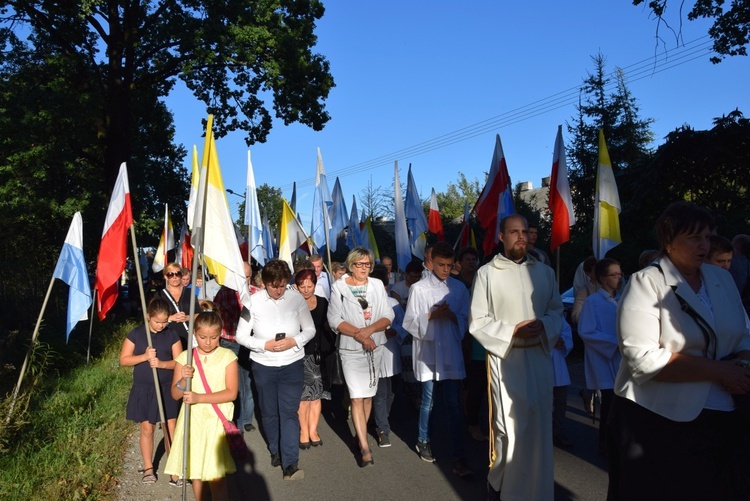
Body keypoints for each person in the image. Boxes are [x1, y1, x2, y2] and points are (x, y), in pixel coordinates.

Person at [608, 202, 750, 500]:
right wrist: (718, 370)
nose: (704, 245)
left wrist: (741, 365)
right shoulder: (646, 282)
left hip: (727, 412)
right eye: (694, 238)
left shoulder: (721, 279)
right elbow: (642, 360)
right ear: (669, 242)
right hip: (661, 419)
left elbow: (744, 334)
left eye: (708, 237)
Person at [469, 214, 563, 500]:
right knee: (508, 428)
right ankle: (504, 487)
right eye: (514, 232)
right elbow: (478, 321)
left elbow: (557, 311)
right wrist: (512, 332)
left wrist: (544, 325)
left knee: (539, 426)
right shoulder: (487, 273)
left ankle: (539, 490)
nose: (521, 236)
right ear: (501, 237)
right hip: (506, 360)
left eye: (524, 231)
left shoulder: (545, 273)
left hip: (539, 358)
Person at [236, 259, 315, 480]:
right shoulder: (252, 302)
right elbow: (240, 336)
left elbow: (310, 329)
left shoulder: (296, 298)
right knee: (270, 413)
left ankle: (291, 462)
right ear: (265, 282)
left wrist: (295, 341)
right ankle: (275, 450)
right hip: (264, 366)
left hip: (292, 364)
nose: (278, 290)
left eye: (282, 285)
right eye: (274, 286)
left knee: (289, 412)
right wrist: (264, 345)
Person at [403, 241, 472, 476]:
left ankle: (458, 452)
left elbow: (466, 320)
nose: (444, 269)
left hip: (450, 351)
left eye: (449, 265)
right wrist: (431, 315)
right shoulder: (419, 289)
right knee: (428, 401)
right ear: (432, 263)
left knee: (453, 403)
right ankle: (423, 439)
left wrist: (452, 316)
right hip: (429, 353)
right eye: (441, 265)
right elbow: (410, 322)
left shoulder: (459, 289)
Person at [164, 301, 239, 500]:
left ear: (220, 334)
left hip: (216, 421)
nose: (207, 342)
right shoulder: (185, 357)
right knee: (196, 473)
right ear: (194, 334)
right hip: (193, 421)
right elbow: (174, 394)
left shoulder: (228, 356)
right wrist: (182, 380)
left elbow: (231, 393)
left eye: (213, 337)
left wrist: (199, 397)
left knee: (215, 475)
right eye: (203, 337)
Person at [328, 247, 394, 467]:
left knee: (368, 396)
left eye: (367, 264)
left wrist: (369, 331)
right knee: (356, 396)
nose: (364, 268)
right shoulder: (339, 287)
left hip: (376, 347)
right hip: (351, 349)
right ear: (351, 265)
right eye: (359, 264)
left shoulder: (376, 285)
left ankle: (360, 433)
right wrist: (360, 334)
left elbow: (388, 315)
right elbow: (334, 319)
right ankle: (364, 447)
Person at [120, 297, 182, 485]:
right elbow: (124, 360)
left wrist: (162, 363)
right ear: (148, 316)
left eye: (165, 321)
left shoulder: (172, 335)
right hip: (144, 389)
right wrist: (144, 356)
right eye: (157, 321)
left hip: (166, 389)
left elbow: (180, 362)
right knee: (148, 428)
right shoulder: (136, 334)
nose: (161, 325)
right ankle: (148, 467)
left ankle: (174, 469)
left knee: (170, 428)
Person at [578, 257, 623, 456]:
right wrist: (613, 342)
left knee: (622, 401)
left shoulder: (622, 299)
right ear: (603, 279)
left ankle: (618, 438)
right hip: (604, 358)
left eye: (620, 274)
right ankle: (604, 440)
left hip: (622, 359)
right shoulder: (593, 302)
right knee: (609, 401)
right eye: (614, 275)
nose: (618, 278)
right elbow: (586, 331)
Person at [213, 262, 256, 432]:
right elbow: (216, 317)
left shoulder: (256, 293)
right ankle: (233, 417)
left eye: (247, 276)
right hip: (229, 343)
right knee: (232, 384)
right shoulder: (224, 293)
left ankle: (246, 419)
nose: (244, 280)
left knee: (248, 382)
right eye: (241, 276)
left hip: (249, 344)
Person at [294, 268, 334, 449]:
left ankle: (313, 430)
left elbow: (329, 325)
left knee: (317, 396)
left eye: (309, 286)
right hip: (300, 354)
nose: (306, 289)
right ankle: (303, 431)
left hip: (320, 355)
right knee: (304, 398)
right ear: (297, 287)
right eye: (302, 286)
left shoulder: (324, 302)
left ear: (315, 286)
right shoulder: (293, 304)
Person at [369, 264, 408, 448]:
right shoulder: (367, 304)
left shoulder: (393, 304)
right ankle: (382, 428)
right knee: (380, 392)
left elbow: (403, 324)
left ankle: (382, 417)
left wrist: (396, 331)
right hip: (375, 351)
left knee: (391, 391)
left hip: (392, 352)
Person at [454, 247, 488, 442]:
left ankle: (477, 419)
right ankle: (470, 422)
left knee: (484, 388)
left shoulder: (483, 281)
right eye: (467, 259)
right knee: (472, 387)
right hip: (469, 343)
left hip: (487, 344)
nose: (471, 263)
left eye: (474, 259)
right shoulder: (458, 286)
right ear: (460, 263)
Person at [552, 319, 574, 448]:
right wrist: (550, 339)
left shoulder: (557, 315)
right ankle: (541, 432)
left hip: (558, 362)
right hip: (541, 362)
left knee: (561, 401)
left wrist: (563, 341)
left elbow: (566, 331)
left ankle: (557, 432)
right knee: (543, 402)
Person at [158, 262, 192, 349]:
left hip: (188, 337)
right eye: (170, 274)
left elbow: (199, 314)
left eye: (178, 273)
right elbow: (149, 316)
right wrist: (170, 318)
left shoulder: (189, 293)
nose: (175, 277)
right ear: (166, 277)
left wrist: (188, 317)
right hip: (168, 337)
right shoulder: (160, 295)